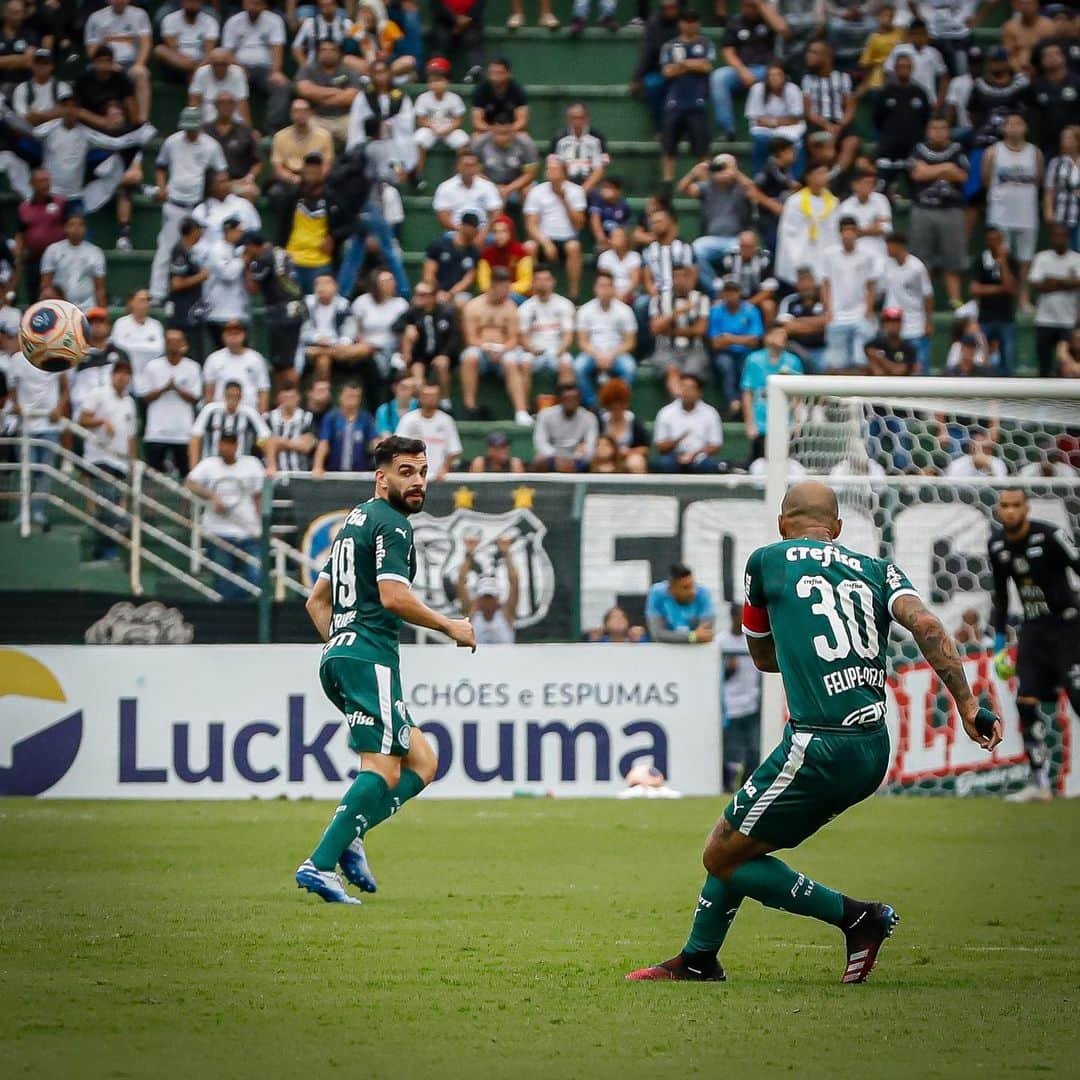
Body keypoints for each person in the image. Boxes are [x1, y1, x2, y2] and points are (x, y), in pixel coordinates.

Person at [628, 483, 1002, 984]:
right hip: (872, 748)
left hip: (817, 743)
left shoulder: (766, 561)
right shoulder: (880, 570)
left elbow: (762, 659)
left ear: (783, 524)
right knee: (740, 845)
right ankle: (698, 958)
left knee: (720, 853)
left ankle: (857, 918)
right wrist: (968, 703)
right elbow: (929, 628)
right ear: (838, 530)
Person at [295, 435, 476, 904]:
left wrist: (341, 644)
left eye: (421, 472)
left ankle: (351, 833)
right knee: (383, 769)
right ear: (382, 477)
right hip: (368, 658)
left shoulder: (354, 521)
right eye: (406, 472)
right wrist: (449, 626)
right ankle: (319, 862)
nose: (417, 482)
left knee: (424, 762)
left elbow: (317, 601)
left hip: (343, 655)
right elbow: (394, 597)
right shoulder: (393, 525)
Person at [150, 107, 227, 302]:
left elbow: (221, 171)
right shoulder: (172, 142)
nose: (190, 131)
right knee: (166, 249)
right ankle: (157, 294)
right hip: (175, 204)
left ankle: (207, 295)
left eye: (194, 127)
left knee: (203, 250)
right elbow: (160, 166)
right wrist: (161, 187)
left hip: (199, 206)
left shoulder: (211, 146)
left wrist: (214, 190)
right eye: (187, 128)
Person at [185, 426, 265, 599]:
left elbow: (258, 496)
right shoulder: (208, 464)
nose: (225, 448)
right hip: (218, 533)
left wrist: (261, 526)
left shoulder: (252, 464)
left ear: (236, 445)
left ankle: (244, 612)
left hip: (248, 532)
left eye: (229, 444)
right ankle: (231, 614)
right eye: (222, 444)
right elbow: (190, 483)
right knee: (222, 581)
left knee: (257, 579)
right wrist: (211, 496)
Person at [77, 359, 137, 560]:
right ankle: (107, 552)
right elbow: (82, 419)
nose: (122, 376)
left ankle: (101, 550)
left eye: (126, 373)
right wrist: (102, 421)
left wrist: (132, 463)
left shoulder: (129, 402)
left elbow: (131, 437)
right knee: (110, 505)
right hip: (99, 458)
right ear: (112, 375)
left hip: (120, 462)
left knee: (111, 509)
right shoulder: (98, 394)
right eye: (119, 372)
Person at [983, 111, 1042, 312]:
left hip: (1027, 214)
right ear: (1003, 128)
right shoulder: (993, 152)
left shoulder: (1035, 153)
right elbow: (985, 180)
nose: (1014, 128)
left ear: (1026, 127)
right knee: (1002, 258)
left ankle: (1023, 299)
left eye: (1019, 123)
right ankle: (1005, 299)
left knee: (1026, 260)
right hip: (1001, 214)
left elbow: (1038, 180)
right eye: (1010, 124)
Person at [710, 0, 789, 141]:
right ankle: (728, 129)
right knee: (718, 77)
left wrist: (761, 5)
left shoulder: (768, 20)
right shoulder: (736, 21)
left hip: (767, 69)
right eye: (746, 5)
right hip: (742, 68)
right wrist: (742, 71)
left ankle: (772, 128)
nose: (749, 9)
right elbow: (728, 51)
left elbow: (783, 30)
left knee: (774, 75)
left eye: (753, 6)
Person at [678, 154, 754, 297]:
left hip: (736, 239)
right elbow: (683, 188)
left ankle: (740, 292)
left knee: (747, 243)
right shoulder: (708, 187)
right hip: (712, 240)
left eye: (725, 167)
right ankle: (717, 289)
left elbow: (754, 191)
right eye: (719, 167)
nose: (722, 171)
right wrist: (693, 173)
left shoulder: (740, 187)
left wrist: (735, 173)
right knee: (695, 249)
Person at [460, 268, 529, 424]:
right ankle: (469, 407)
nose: (507, 292)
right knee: (469, 357)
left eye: (508, 288)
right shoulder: (473, 306)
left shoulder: (511, 307)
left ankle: (521, 411)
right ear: (493, 286)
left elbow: (513, 338)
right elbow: (470, 338)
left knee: (511, 362)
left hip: (504, 349)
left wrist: (501, 349)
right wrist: (486, 346)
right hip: (480, 348)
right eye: (504, 288)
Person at [657, 9, 714, 185]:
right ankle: (667, 185)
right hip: (674, 103)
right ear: (681, 24)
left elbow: (706, 66)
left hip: (697, 103)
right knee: (668, 150)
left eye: (694, 21)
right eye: (687, 21)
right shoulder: (669, 46)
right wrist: (692, 64)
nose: (691, 24)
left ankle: (705, 186)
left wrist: (682, 64)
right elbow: (667, 71)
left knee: (702, 150)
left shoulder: (705, 43)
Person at [139, 328, 202, 478]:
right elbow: (144, 397)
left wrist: (177, 389)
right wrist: (164, 389)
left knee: (187, 475)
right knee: (152, 476)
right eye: (169, 341)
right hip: (156, 432)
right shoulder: (152, 367)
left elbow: (195, 398)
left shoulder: (193, 367)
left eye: (177, 341)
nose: (173, 345)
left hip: (183, 433)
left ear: (183, 344)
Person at [220, 0, 291, 132]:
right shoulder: (233, 22)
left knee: (282, 85)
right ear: (244, 4)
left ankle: (272, 129)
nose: (254, 6)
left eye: (258, 3)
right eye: (251, 3)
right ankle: (235, 130)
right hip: (238, 68)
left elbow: (277, 48)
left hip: (265, 69)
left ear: (265, 5)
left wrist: (276, 71)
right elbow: (227, 53)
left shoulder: (274, 20)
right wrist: (239, 67)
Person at [523, 156, 586, 302]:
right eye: (548, 169)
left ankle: (574, 294)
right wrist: (545, 242)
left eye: (554, 169)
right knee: (529, 247)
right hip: (543, 239)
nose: (549, 171)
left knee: (574, 247)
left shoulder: (576, 191)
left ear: (563, 172)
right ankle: (532, 291)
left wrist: (564, 199)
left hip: (567, 239)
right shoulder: (536, 191)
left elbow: (579, 224)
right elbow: (530, 224)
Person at [741, 325, 803, 465]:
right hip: (761, 422)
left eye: (784, 334)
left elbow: (798, 395)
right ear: (768, 337)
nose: (783, 337)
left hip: (786, 421)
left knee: (787, 463)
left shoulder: (793, 361)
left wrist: (797, 421)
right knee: (760, 464)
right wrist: (750, 423)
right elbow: (747, 393)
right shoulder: (753, 360)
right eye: (778, 333)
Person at [573, 270, 637, 407]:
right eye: (601, 286)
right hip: (592, 353)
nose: (604, 290)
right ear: (595, 289)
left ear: (614, 289)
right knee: (578, 367)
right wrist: (598, 355)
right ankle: (594, 404)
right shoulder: (585, 310)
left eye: (608, 286)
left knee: (629, 367)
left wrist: (611, 355)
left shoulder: (625, 311)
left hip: (617, 353)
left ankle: (619, 403)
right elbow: (582, 342)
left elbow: (630, 342)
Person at [821, 216, 876, 372]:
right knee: (835, 364)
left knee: (862, 361)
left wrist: (868, 310)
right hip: (837, 315)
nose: (848, 234)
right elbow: (825, 283)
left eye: (851, 230)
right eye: (845, 230)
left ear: (857, 232)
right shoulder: (829, 255)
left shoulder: (867, 256)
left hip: (860, 315)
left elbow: (871, 284)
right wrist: (828, 310)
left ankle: (862, 396)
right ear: (839, 233)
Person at [649, 261, 711, 398]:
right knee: (672, 371)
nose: (680, 280)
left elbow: (700, 330)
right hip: (666, 349)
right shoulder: (659, 299)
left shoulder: (701, 299)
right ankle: (680, 402)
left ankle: (686, 406)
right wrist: (678, 312)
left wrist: (670, 332)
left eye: (684, 276)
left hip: (694, 349)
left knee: (689, 377)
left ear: (691, 278)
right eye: (676, 277)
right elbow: (655, 329)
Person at [83, 0, 152, 123]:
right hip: (105, 64)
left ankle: (143, 121)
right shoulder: (96, 18)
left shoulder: (140, 15)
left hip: (131, 64)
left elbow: (146, 43)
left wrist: (139, 63)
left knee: (141, 73)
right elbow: (91, 50)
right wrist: (109, 65)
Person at [396, 283, 461, 409]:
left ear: (433, 297)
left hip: (442, 353)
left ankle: (444, 400)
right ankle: (423, 402)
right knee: (417, 369)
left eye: (423, 295)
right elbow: (396, 325)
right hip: (421, 356)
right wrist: (407, 327)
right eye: (417, 294)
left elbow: (454, 338)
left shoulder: (446, 312)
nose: (418, 298)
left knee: (441, 364)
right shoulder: (413, 312)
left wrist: (445, 354)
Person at [718, 603, 761, 791]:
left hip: (752, 703)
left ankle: (746, 788)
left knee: (754, 751)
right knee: (732, 753)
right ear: (732, 617)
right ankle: (728, 787)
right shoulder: (721, 642)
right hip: (731, 706)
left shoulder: (751, 640)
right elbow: (715, 677)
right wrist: (728, 671)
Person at [774, 163, 839, 288]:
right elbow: (787, 233)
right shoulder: (794, 201)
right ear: (809, 177)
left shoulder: (834, 202)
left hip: (824, 250)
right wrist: (795, 259)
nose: (823, 177)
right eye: (819, 173)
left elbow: (835, 232)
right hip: (801, 251)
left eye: (826, 173)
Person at [1029, 223, 1080, 378]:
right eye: (1056, 235)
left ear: (1067, 238)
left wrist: (1051, 281)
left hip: (1068, 321)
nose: (1059, 239)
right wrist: (1067, 282)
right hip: (1045, 320)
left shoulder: (1076, 259)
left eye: (1062, 235)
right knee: (1044, 367)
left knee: (1066, 367)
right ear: (1051, 238)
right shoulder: (1042, 257)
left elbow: (1078, 282)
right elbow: (1035, 284)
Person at [267, 98, 334, 214]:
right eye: (296, 111)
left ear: (310, 113)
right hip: (290, 178)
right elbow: (278, 168)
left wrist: (313, 181)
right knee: (275, 192)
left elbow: (327, 166)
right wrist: (295, 179)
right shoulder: (280, 136)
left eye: (304, 111)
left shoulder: (324, 135)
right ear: (291, 114)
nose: (300, 114)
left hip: (316, 179)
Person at [881, 231, 934, 374]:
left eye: (889, 245)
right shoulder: (887, 265)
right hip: (894, 329)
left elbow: (928, 295)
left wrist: (928, 323)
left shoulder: (917, 267)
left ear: (900, 246)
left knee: (919, 369)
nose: (887, 249)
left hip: (915, 326)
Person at [802, 38, 858, 175]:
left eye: (814, 53)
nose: (809, 56)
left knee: (852, 141)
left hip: (840, 122)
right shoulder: (807, 80)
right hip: (818, 123)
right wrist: (827, 126)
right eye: (809, 52)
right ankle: (820, 175)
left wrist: (840, 125)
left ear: (826, 56)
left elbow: (850, 107)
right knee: (820, 144)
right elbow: (809, 111)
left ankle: (834, 176)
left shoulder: (843, 77)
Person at [709, 278, 763, 416]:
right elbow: (715, 343)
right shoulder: (716, 311)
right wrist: (742, 339)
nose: (731, 296)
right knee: (726, 364)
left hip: (746, 352)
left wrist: (730, 338)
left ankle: (748, 405)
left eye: (734, 292)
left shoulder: (751, 310)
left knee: (747, 364)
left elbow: (755, 341)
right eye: (727, 292)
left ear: (739, 293)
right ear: (723, 294)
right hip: (724, 352)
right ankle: (734, 402)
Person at [295, 38, 363, 146]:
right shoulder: (308, 69)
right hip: (318, 117)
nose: (327, 53)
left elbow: (352, 97)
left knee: (358, 135)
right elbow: (304, 89)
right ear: (318, 53)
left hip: (344, 117)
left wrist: (320, 97)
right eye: (323, 50)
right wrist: (336, 92)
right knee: (308, 132)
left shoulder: (348, 70)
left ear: (339, 53)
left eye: (332, 50)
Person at [188, 379, 271, 467]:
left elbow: (265, 438)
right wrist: (194, 467)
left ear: (241, 397)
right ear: (224, 395)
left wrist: (257, 444)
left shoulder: (250, 413)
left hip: (242, 463)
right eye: (230, 396)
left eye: (236, 396)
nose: (233, 400)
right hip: (212, 462)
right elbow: (195, 438)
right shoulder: (210, 410)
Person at [971, 226, 1019, 375]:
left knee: (1008, 364)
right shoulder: (980, 260)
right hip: (985, 319)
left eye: (997, 240)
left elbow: (1011, 289)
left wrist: (1002, 262)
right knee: (980, 362)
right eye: (991, 240)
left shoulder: (1011, 260)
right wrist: (1000, 289)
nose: (994, 243)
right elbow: (975, 289)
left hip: (1006, 318)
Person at [653, 372, 724, 474]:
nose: (686, 391)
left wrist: (694, 454)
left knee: (708, 465)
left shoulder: (710, 413)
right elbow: (660, 446)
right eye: (683, 387)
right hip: (673, 456)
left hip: (700, 455)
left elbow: (715, 445)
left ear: (699, 392)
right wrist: (677, 440)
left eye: (690, 388)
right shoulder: (666, 412)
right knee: (664, 463)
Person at [517, 264, 575, 383]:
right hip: (533, 351)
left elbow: (568, 335)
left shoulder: (565, 304)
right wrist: (531, 349)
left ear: (553, 282)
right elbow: (522, 337)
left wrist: (560, 350)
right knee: (524, 363)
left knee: (566, 363)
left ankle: (565, 400)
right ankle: (523, 402)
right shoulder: (525, 308)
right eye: (538, 280)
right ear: (533, 283)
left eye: (546, 280)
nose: (542, 283)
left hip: (558, 349)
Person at [14, 169, 65, 305]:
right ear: (32, 184)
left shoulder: (60, 203)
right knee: (36, 298)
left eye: (47, 181)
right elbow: (20, 234)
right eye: (41, 181)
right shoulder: (24, 208)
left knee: (58, 296)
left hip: (57, 262)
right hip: (34, 260)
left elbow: (68, 228)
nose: (45, 185)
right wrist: (17, 255)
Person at [457, 534, 519, 644]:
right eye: (484, 597)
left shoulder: (507, 612)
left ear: (497, 599)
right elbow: (461, 581)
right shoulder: (471, 612)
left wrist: (506, 553)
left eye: (490, 597)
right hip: (477, 661)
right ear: (478, 598)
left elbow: (514, 583)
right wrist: (469, 553)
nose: (487, 602)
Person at [412, 57, 469, 177]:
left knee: (463, 140)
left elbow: (459, 119)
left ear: (447, 82)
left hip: (449, 130)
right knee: (419, 139)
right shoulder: (423, 98)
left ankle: (459, 174)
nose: (436, 84)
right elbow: (420, 120)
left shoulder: (454, 98)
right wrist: (432, 127)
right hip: (431, 129)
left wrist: (449, 128)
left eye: (440, 80)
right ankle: (417, 174)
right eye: (433, 81)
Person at [745, 62, 805, 175]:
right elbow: (758, 120)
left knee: (797, 146)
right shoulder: (757, 89)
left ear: (784, 77)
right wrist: (780, 122)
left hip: (790, 129)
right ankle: (757, 176)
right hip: (763, 130)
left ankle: (796, 180)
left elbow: (795, 119)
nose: (774, 78)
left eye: (778, 75)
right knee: (761, 141)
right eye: (771, 75)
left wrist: (773, 122)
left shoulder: (793, 89)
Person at [39, 212, 105, 311]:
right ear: (65, 228)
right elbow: (46, 284)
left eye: (80, 225)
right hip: (59, 307)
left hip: (88, 307)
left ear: (85, 229)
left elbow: (100, 287)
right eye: (72, 224)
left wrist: (102, 310)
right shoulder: (53, 250)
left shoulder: (95, 252)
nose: (76, 228)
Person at [395, 383, 462, 480]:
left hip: (439, 478)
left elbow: (454, 450)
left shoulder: (446, 421)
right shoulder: (408, 419)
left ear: (439, 398)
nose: (430, 399)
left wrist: (444, 468)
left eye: (433, 396)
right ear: (420, 397)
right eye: (426, 396)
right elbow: (398, 448)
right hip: (412, 477)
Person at [204, 91, 262, 201]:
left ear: (235, 106)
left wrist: (249, 177)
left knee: (250, 192)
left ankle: (244, 218)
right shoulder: (206, 130)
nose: (226, 106)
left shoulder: (245, 130)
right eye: (221, 103)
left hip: (237, 181)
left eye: (230, 103)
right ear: (215, 106)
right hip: (210, 183)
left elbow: (257, 161)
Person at [312, 380, 378, 476]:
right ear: (341, 397)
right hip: (334, 473)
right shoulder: (331, 417)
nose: (353, 399)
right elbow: (323, 443)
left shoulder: (366, 418)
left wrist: (383, 467)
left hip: (359, 473)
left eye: (356, 396)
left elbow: (375, 443)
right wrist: (318, 466)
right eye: (350, 396)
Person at [531, 380, 599, 472]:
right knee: (539, 460)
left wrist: (575, 458)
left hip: (579, 459)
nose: (570, 403)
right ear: (559, 399)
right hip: (553, 457)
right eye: (567, 399)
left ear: (579, 399)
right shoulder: (545, 415)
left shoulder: (589, 418)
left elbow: (591, 446)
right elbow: (540, 442)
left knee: (596, 459)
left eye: (574, 399)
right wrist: (556, 457)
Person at [837, 165, 891, 280]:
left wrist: (859, 230)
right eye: (866, 183)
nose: (870, 186)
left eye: (872, 183)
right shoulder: (845, 206)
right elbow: (847, 233)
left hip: (879, 252)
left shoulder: (881, 200)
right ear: (855, 185)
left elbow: (885, 229)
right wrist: (872, 227)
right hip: (854, 253)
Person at [474, 113, 539, 209]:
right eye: (498, 133)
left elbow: (530, 174)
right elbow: (475, 171)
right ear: (492, 129)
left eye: (506, 133)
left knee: (529, 191)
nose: (502, 137)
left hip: (517, 186)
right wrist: (493, 187)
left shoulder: (526, 144)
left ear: (513, 130)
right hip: (489, 184)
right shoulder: (480, 143)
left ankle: (528, 223)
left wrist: (508, 189)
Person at [203, 320, 269, 412]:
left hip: (250, 412)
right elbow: (209, 391)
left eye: (237, 333)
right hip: (221, 414)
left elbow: (263, 389)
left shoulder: (256, 358)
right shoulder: (213, 359)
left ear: (244, 335)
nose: (233, 337)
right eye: (229, 333)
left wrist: (262, 415)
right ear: (223, 336)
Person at [432, 148, 503, 233]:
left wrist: (484, 232)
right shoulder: (445, 187)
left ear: (477, 167)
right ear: (458, 166)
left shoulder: (488, 186)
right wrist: (463, 232)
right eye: (466, 165)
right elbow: (443, 217)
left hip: (482, 232)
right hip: (455, 232)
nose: (469, 168)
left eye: (472, 165)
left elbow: (496, 212)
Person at [644, 562, 715, 644]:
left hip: (695, 651)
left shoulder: (703, 593)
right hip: (665, 651)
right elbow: (657, 634)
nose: (692, 591)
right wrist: (691, 637)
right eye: (685, 587)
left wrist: (694, 637)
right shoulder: (656, 594)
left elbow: (705, 634)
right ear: (671, 589)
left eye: (693, 585)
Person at [423, 212, 482, 307]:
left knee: (461, 302)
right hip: (434, 290)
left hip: (457, 294)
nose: (476, 231)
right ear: (463, 226)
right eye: (473, 227)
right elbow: (428, 274)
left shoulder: (474, 252)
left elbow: (468, 279)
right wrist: (437, 291)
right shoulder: (439, 245)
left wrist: (450, 294)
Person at [776, 265, 827, 371]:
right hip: (795, 349)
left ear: (814, 282)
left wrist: (798, 322)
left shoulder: (824, 300)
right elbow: (786, 327)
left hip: (821, 349)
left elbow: (828, 323)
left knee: (827, 364)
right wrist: (817, 325)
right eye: (801, 280)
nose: (805, 285)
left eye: (808, 280)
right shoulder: (789, 301)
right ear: (797, 284)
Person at [549, 102, 608, 194]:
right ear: (567, 119)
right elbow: (554, 166)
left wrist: (583, 190)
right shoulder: (558, 139)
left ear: (587, 118)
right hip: (565, 183)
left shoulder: (597, 138)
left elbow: (600, 169)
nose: (577, 121)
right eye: (573, 118)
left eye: (580, 118)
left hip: (590, 183)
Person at [156, 0, 220, 81]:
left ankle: (195, 74)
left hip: (201, 62)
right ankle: (195, 72)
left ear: (201, 3)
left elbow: (208, 52)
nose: (192, 4)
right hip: (177, 64)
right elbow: (173, 49)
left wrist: (199, 65)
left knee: (217, 55)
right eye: (189, 1)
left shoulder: (210, 21)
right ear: (182, 2)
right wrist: (189, 63)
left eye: (196, 1)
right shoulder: (170, 19)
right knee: (160, 50)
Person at [111, 288, 165, 381]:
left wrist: (133, 348)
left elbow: (159, 349)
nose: (146, 304)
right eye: (142, 300)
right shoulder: (121, 323)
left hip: (150, 375)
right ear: (132, 302)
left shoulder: (156, 325)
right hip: (127, 374)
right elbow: (119, 348)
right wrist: (146, 347)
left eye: (148, 300)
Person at [598, 377, 649, 474]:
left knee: (636, 462)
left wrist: (629, 452)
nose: (617, 410)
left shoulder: (634, 422)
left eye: (620, 406)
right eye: (612, 407)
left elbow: (645, 449)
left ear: (625, 404)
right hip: (605, 458)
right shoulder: (601, 422)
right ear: (607, 406)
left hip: (627, 458)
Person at [188, 47, 250, 125]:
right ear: (210, 63)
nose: (219, 67)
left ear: (229, 64)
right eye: (216, 64)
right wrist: (194, 125)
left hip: (232, 113)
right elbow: (194, 102)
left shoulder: (238, 72)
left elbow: (242, 103)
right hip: (208, 113)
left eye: (223, 64)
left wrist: (248, 130)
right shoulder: (201, 72)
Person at [477, 215, 532, 301]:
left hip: (516, 296)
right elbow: (483, 284)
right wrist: (497, 291)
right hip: (492, 295)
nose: (499, 235)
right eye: (496, 232)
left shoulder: (521, 252)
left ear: (511, 232)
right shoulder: (487, 254)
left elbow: (526, 283)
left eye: (503, 231)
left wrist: (504, 289)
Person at [471, 57, 529, 136]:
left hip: (511, 131)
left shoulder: (518, 90)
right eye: (492, 72)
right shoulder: (481, 90)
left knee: (524, 137)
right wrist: (495, 130)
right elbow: (477, 122)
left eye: (499, 73)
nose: (494, 76)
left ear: (508, 74)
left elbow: (522, 121)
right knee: (475, 137)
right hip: (488, 131)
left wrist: (506, 130)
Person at [374, 372, 417, 438]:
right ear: (394, 387)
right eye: (404, 388)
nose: (408, 392)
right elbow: (385, 435)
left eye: (411, 388)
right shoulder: (384, 410)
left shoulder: (419, 406)